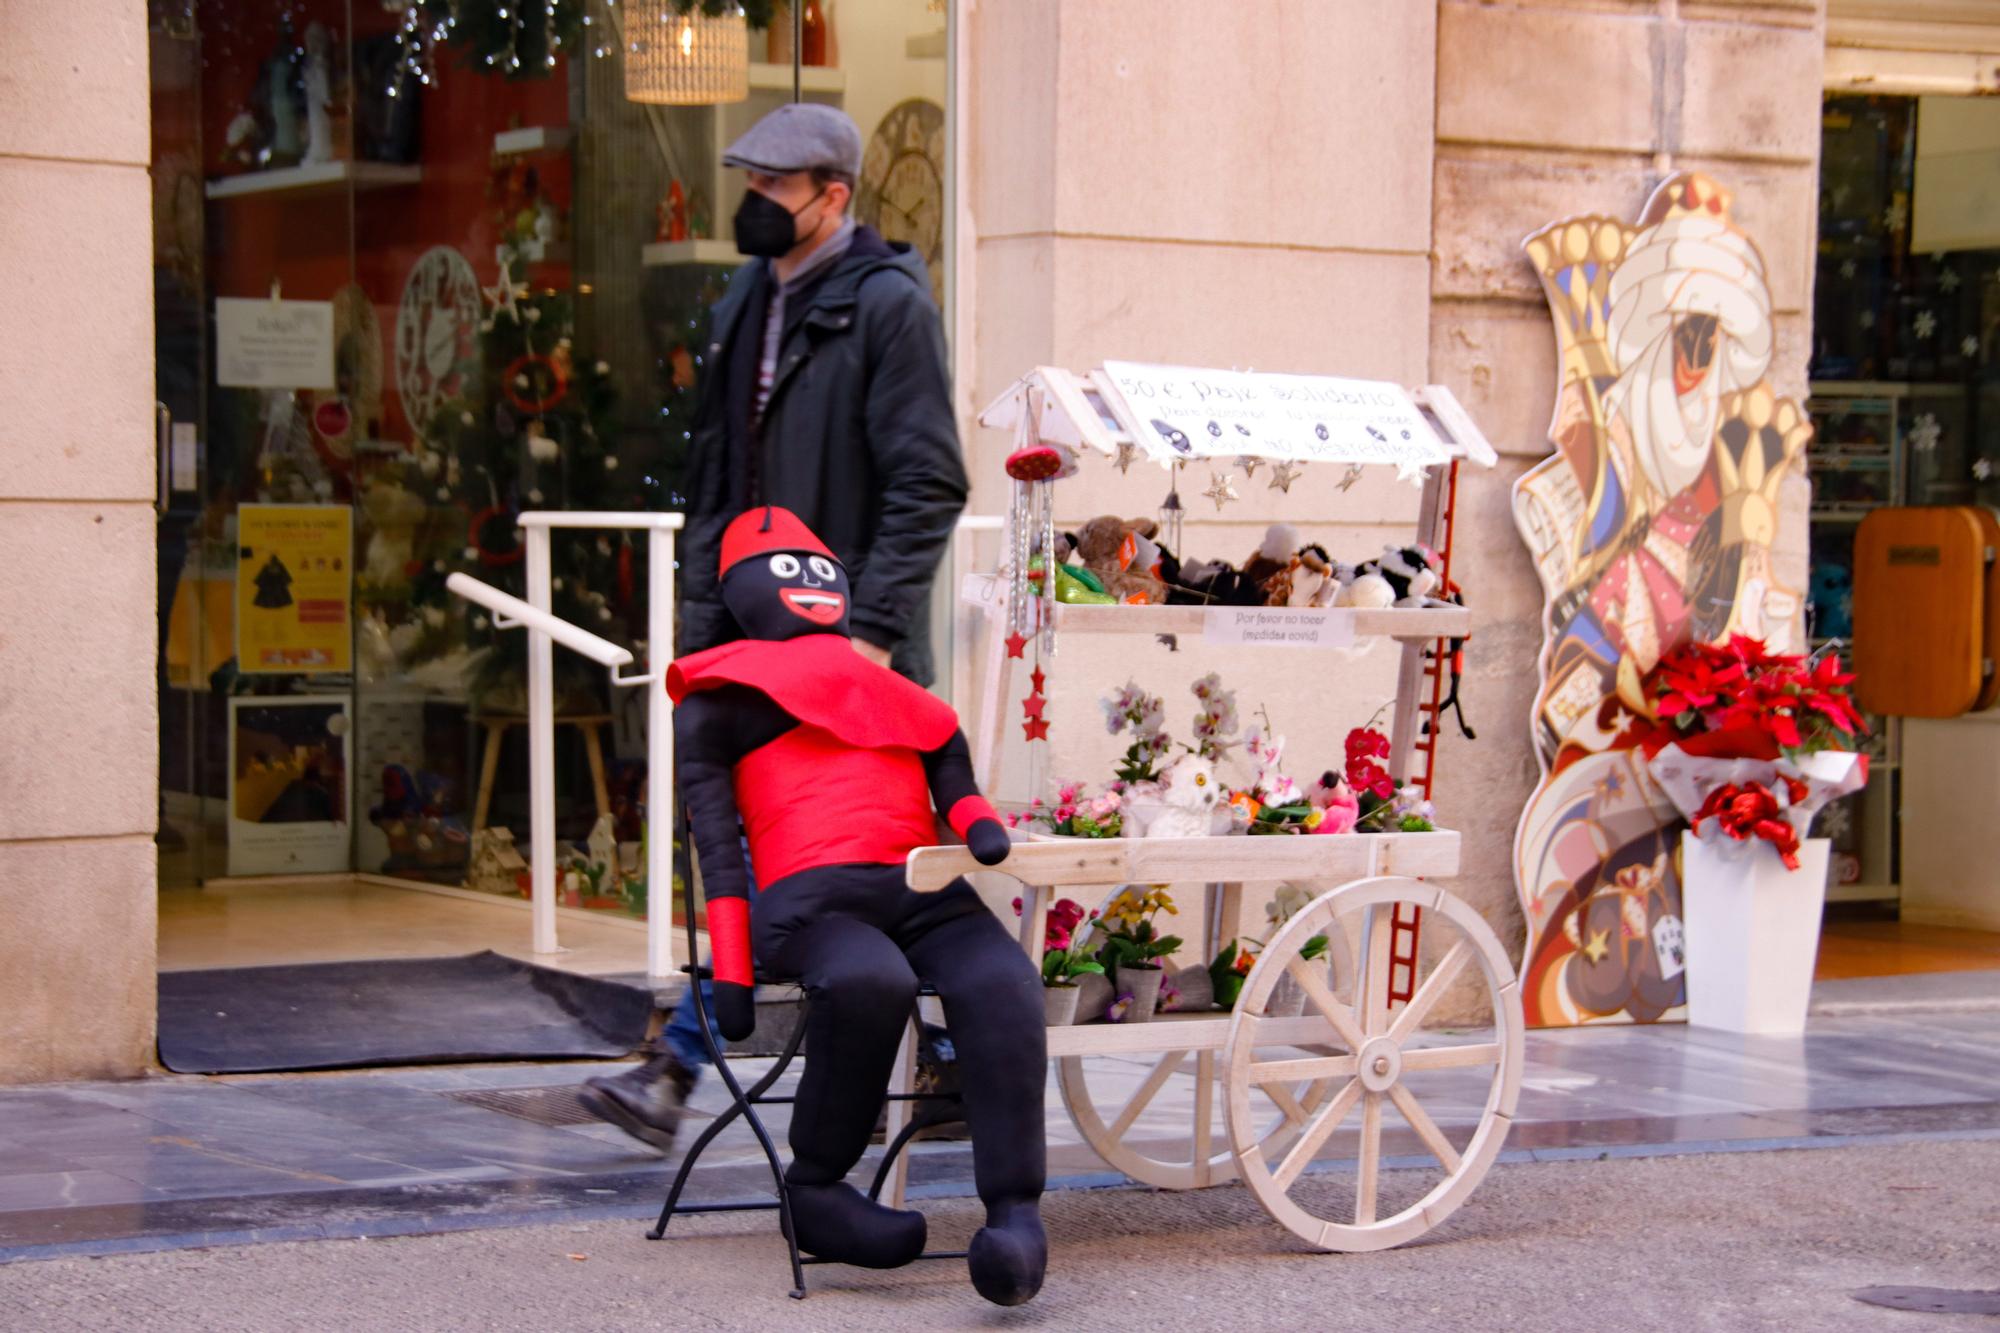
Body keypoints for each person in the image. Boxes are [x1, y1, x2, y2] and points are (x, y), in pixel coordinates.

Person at [578, 102, 967, 1151]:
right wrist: (704, 631)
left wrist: (870, 637)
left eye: (770, 189)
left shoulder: (887, 307)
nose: (750, 203)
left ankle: (697, 1064)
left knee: (850, 862)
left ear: (831, 197)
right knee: (738, 851)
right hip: (749, 647)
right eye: (746, 182)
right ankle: (924, 1057)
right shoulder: (746, 297)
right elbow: (718, 477)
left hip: (842, 655)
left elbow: (928, 482)